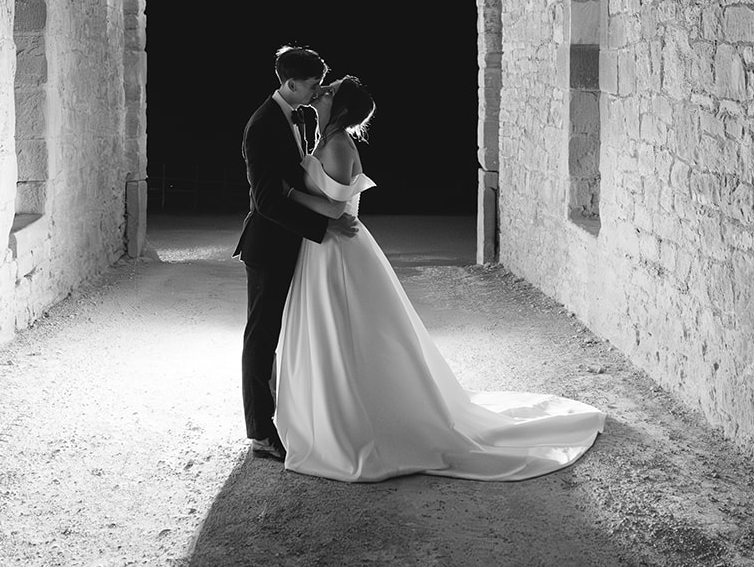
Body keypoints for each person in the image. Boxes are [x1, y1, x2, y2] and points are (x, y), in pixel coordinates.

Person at [272, 76, 604, 481]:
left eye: (330, 90)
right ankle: (325, 416)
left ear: (339, 106)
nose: (322, 91)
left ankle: (354, 424)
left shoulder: (339, 145)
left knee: (346, 333)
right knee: (326, 334)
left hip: (338, 253)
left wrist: (287, 194)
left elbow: (335, 208)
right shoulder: (324, 138)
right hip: (319, 251)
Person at [235, 46, 358, 461]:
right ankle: (260, 433)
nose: (317, 90)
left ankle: (294, 414)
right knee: (261, 335)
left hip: (292, 243)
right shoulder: (262, 125)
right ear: (289, 83)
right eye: (311, 85)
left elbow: (296, 182)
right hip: (268, 246)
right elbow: (267, 201)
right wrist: (324, 225)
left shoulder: (296, 118)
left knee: (288, 333)